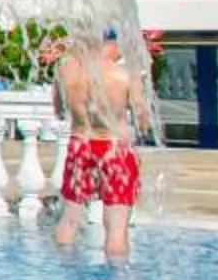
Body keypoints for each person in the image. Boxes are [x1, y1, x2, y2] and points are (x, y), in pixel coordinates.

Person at [52, 29, 151, 260]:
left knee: (69, 221)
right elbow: (143, 122)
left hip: (80, 145)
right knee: (116, 229)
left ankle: (62, 273)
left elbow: (58, 111)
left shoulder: (65, 69)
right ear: (113, 43)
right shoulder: (126, 73)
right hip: (115, 148)